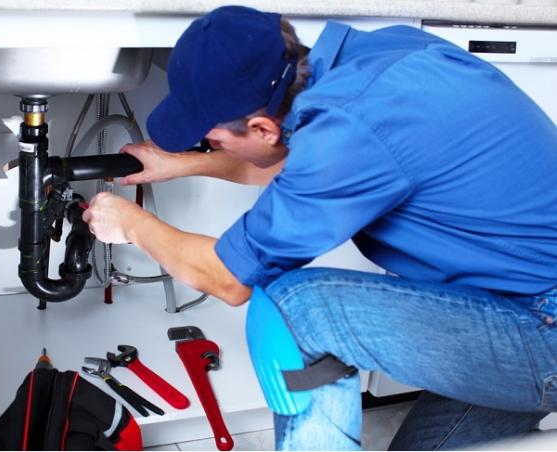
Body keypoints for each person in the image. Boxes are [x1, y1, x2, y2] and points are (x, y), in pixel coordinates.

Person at [82, 5, 557, 450]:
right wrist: (180, 164)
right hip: (509, 305)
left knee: (298, 310)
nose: (209, 147)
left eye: (213, 141)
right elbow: (297, 159)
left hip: (541, 326)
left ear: (262, 128)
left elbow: (227, 279)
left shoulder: (349, 131)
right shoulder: (377, 60)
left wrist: (132, 224)